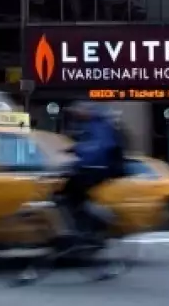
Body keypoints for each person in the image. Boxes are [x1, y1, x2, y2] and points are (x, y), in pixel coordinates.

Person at [58, 102, 127, 241]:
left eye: (78, 112)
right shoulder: (94, 124)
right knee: (75, 196)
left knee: (68, 195)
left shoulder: (98, 124)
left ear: (87, 111)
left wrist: (76, 149)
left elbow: (98, 148)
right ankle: (84, 226)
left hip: (96, 169)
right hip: (95, 168)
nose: (76, 115)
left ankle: (87, 226)